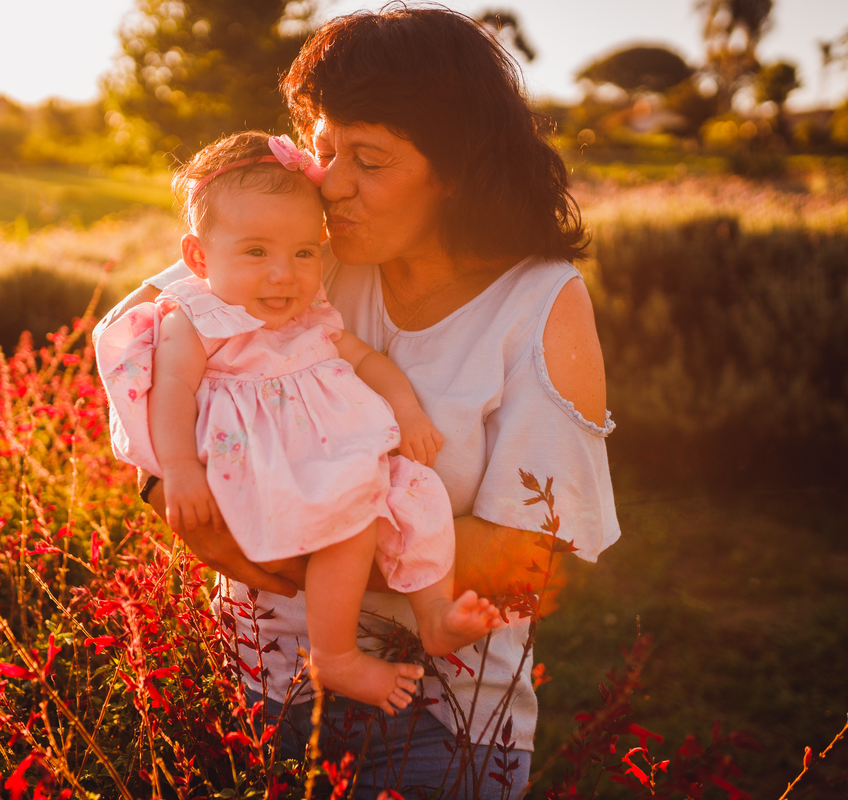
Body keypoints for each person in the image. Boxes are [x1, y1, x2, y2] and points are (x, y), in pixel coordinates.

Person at [103, 7, 620, 799]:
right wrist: (163, 484)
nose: (330, 182)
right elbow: (131, 337)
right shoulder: (306, 255)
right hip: (250, 685)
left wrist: (270, 527)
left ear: (459, 167)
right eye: (323, 147)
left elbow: (524, 565)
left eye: (368, 158)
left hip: (431, 718)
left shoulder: (540, 302)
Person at [94, 130, 504, 715]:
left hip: (327, 460)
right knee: (348, 521)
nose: (283, 274)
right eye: (257, 253)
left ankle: (434, 612)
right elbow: (172, 390)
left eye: (304, 253)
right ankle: (334, 656)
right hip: (263, 464)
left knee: (413, 491)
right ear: (198, 258)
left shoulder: (312, 314)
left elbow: (368, 360)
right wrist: (178, 472)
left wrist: (407, 410)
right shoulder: (196, 315)